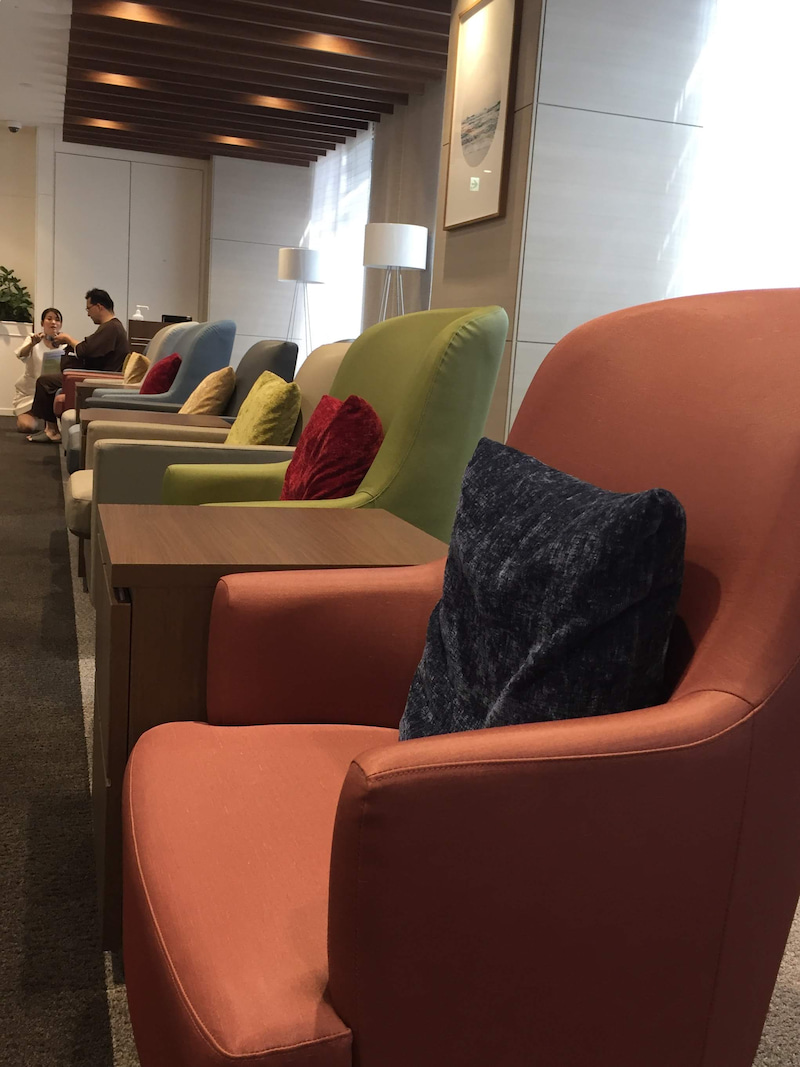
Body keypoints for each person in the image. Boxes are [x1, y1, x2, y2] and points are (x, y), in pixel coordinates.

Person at [27, 288, 130, 443]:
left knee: (45, 382)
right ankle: (50, 429)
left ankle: (52, 431)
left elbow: (85, 350)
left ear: (99, 306)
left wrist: (68, 339)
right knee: (51, 378)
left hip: (100, 379)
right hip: (97, 374)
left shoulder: (112, 328)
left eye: (89, 309)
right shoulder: (112, 327)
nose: (88, 314)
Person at [13, 308, 67, 434]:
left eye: (57, 320)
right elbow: (21, 354)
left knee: (62, 427)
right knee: (26, 427)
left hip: (52, 393)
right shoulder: (33, 339)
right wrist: (32, 344)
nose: (53, 322)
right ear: (42, 323)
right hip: (30, 393)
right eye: (49, 319)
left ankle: (50, 422)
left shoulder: (65, 344)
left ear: (60, 324)